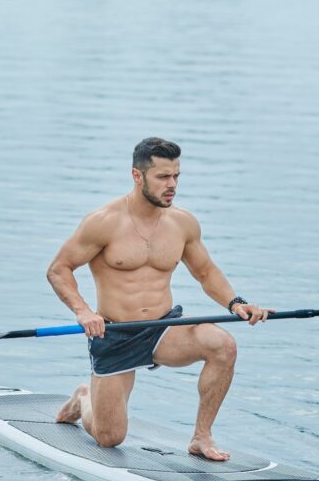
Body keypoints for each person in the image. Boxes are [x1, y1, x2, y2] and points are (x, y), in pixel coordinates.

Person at [46, 137, 273, 461]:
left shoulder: (182, 223)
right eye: (163, 177)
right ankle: (84, 399)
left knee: (223, 345)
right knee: (110, 438)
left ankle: (201, 437)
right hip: (115, 335)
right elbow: (59, 269)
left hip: (162, 327)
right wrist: (83, 311)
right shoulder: (104, 222)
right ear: (137, 176)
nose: (172, 185)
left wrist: (237, 303)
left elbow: (206, 272)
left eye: (176, 176)